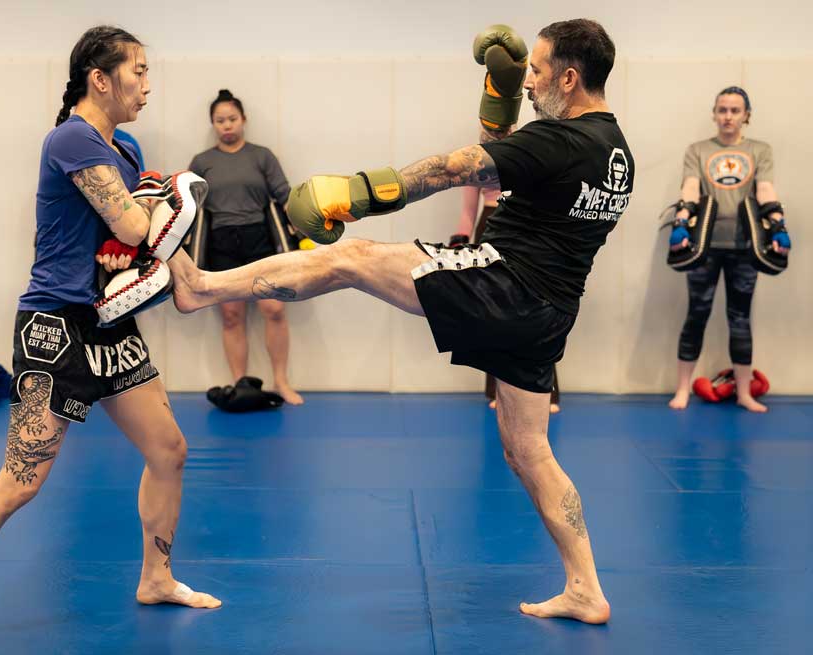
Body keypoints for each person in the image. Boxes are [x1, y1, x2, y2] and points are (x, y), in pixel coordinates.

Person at [169, 19, 625, 624]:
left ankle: (201, 287)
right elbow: (513, 170)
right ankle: (587, 588)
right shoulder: (614, 150)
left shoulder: (559, 142)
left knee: (348, 257)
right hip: (547, 315)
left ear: (570, 78)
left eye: (539, 71)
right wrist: (502, 95)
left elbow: (452, 169)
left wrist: (356, 194)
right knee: (529, 450)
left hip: (501, 283)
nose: (533, 79)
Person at [0, 25, 219, 652]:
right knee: (21, 481)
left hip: (109, 323)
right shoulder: (71, 138)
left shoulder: (126, 149)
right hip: (54, 327)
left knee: (169, 450)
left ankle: (156, 578)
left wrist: (130, 255)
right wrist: (152, 218)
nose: (147, 82)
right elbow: (136, 225)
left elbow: (129, 248)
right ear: (99, 79)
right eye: (136, 70)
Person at [667, 86, 790, 412]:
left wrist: (778, 226)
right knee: (697, 313)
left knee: (740, 318)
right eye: (722, 109)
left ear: (746, 115)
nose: (728, 116)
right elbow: (691, 187)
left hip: (745, 245)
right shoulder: (698, 150)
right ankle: (682, 390)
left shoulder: (759, 150)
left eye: (735, 110)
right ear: (714, 113)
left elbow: (764, 189)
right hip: (703, 245)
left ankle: (745, 393)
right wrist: (681, 220)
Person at [188, 90, 304, 405]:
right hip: (221, 242)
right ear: (213, 124)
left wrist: (310, 224)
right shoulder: (202, 162)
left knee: (274, 309)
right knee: (231, 316)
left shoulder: (261, 156)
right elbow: (186, 205)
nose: (226, 125)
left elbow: (284, 194)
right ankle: (240, 383)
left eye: (232, 119)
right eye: (220, 120)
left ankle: (281, 381)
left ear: (243, 120)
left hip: (260, 239)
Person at [457, 168, 561, 413]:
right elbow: (467, 214)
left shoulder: (528, 154)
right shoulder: (475, 162)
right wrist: (459, 250)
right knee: (493, 313)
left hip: (523, 227)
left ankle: (546, 390)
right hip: (490, 227)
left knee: (534, 306)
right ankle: (499, 391)